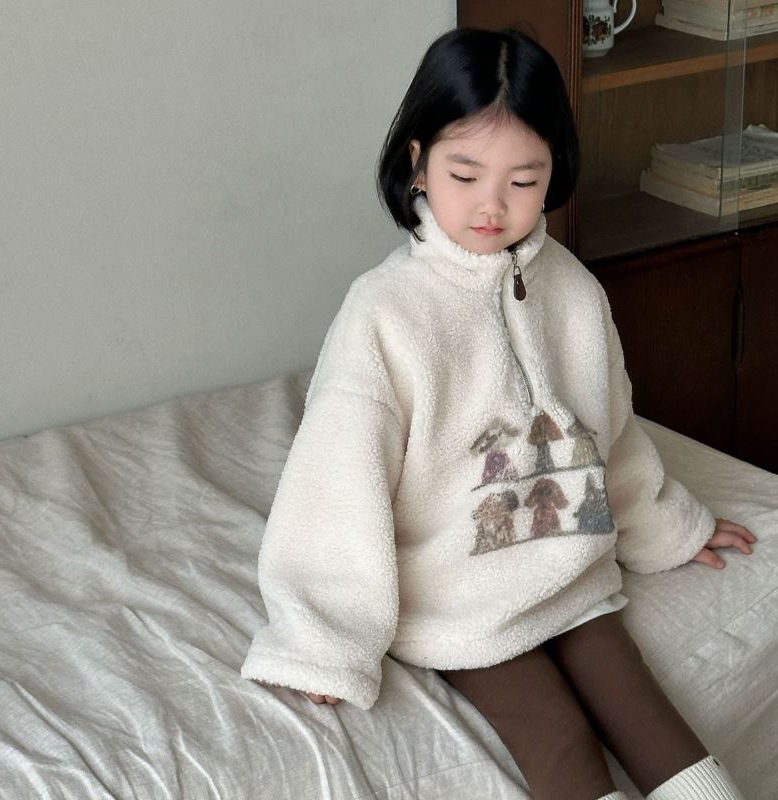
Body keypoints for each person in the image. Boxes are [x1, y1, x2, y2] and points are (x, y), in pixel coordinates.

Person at [242, 27, 757, 800]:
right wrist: (324, 643)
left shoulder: (572, 290)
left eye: (523, 179)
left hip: (573, 571)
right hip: (458, 598)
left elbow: (609, 436)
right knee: (561, 743)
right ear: (418, 162)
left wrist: (668, 527)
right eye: (465, 173)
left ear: (554, 173)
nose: (492, 204)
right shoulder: (384, 313)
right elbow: (336, 483)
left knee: (654, 723)